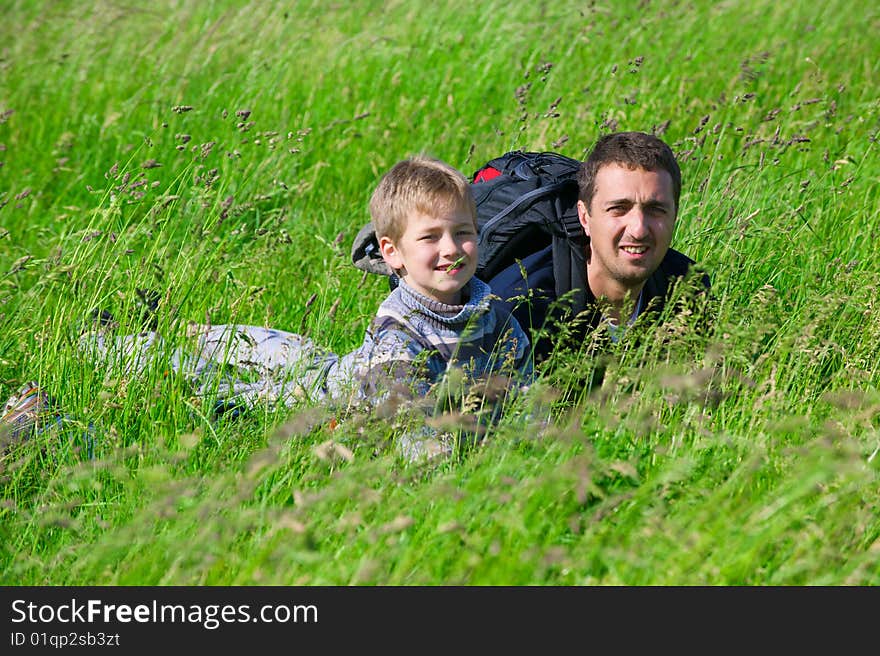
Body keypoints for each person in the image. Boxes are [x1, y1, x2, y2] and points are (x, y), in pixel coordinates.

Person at [3, 156, 533, 462]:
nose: (451, 249)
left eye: (463, 234)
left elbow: (524, 392)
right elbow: (408, 429)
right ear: (390, 253)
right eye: (431, 237)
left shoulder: (494, 314)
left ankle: (171, 331)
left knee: (268, 349)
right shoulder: (400, 331)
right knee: (215, 376)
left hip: (329, 367)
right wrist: (450, 461)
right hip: (326, 397)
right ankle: (112, 344)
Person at [488, 131, 711, 361]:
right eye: (618, 208)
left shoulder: (688, 289)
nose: (638, 229)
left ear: (674, 215)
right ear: (584, 217)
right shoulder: (522, 311)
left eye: (656, 210)